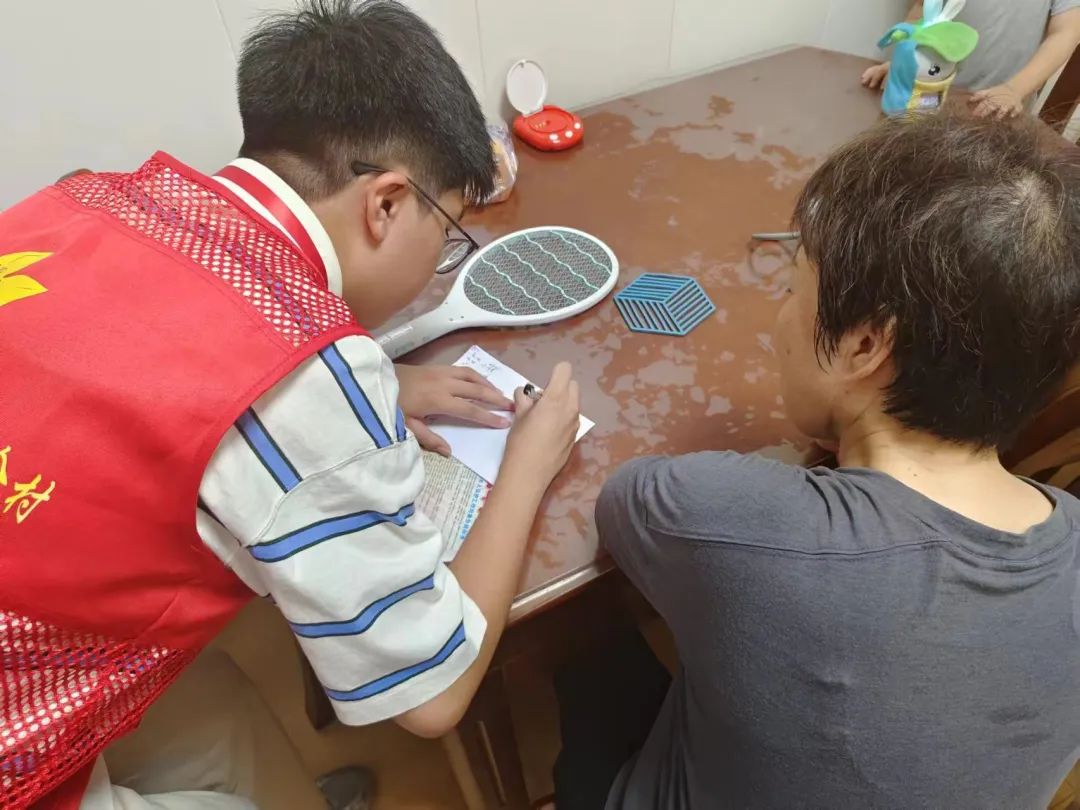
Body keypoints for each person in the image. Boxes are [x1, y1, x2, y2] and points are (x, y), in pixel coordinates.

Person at [0, 1, 581, 808]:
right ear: (386, 203)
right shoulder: (306, 383)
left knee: (218, 701)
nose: (440, 261)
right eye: (448, 231)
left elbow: (140, 351)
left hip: (35, 648)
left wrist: (371, 381)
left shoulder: (92, 203)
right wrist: (527, 466)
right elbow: (434, 698)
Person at [566, 113, 1080, 809]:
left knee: (584, 655)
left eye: (792, 287)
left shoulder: (722, 515)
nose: (780, 316)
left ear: (865, 346)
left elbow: (624, 502)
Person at [861, 0, 1080, 118]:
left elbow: (1066, 32)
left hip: (997, 107)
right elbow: (924, 9)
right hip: (930, 90)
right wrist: (903, 62)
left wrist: (1014, 90)